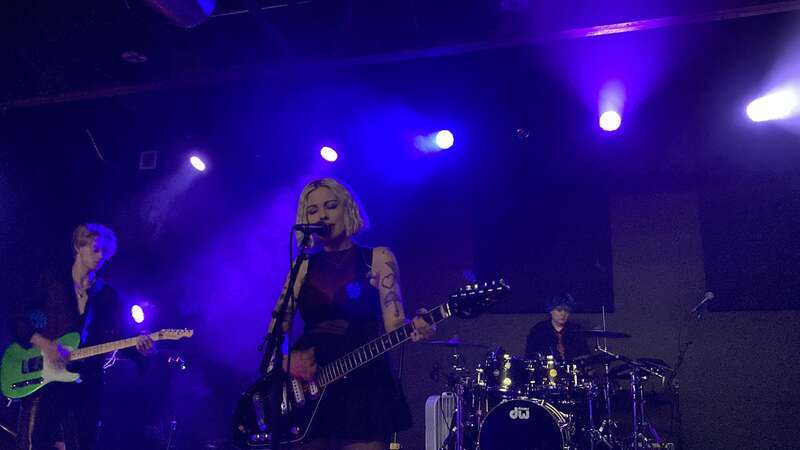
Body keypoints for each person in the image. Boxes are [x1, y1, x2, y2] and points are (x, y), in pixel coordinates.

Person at [269, 178, 435, 450]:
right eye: (313, 211)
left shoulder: (378, 258)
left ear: (347, 208)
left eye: (330, 206)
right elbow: (277, 328)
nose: (322, 216)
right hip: (311, 385)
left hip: (364, 382)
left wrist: (418, 326)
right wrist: (288, 359)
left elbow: (395, 324)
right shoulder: (302, 266)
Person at [8, 223, 153, 450]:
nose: (101, 256)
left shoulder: (108, 295)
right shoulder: (51, 280)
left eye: (105, 252)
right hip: (45, 378)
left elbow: (117, 336)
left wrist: (139, 347)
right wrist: (46, 345)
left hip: (86, 382)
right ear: (78, 246)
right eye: (95, 249)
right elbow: (17, 317)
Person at [524, 293, 590, 361]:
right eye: (559, 310)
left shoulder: (576, 330)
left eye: (566, 310)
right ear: (551, 311)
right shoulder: (538, 330)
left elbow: (585, 354)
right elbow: (530, 355)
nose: (563, 314)